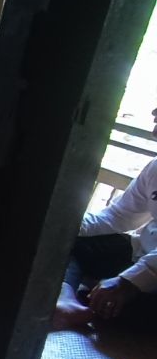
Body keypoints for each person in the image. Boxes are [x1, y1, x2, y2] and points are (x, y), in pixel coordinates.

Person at [53, 105, 157, 330]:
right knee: (67, 242)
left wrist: (128, 281)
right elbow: (120, 216)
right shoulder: (155, 168)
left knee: (115, 307)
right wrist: (62, 225)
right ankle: (66, 301)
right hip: (144, 253)